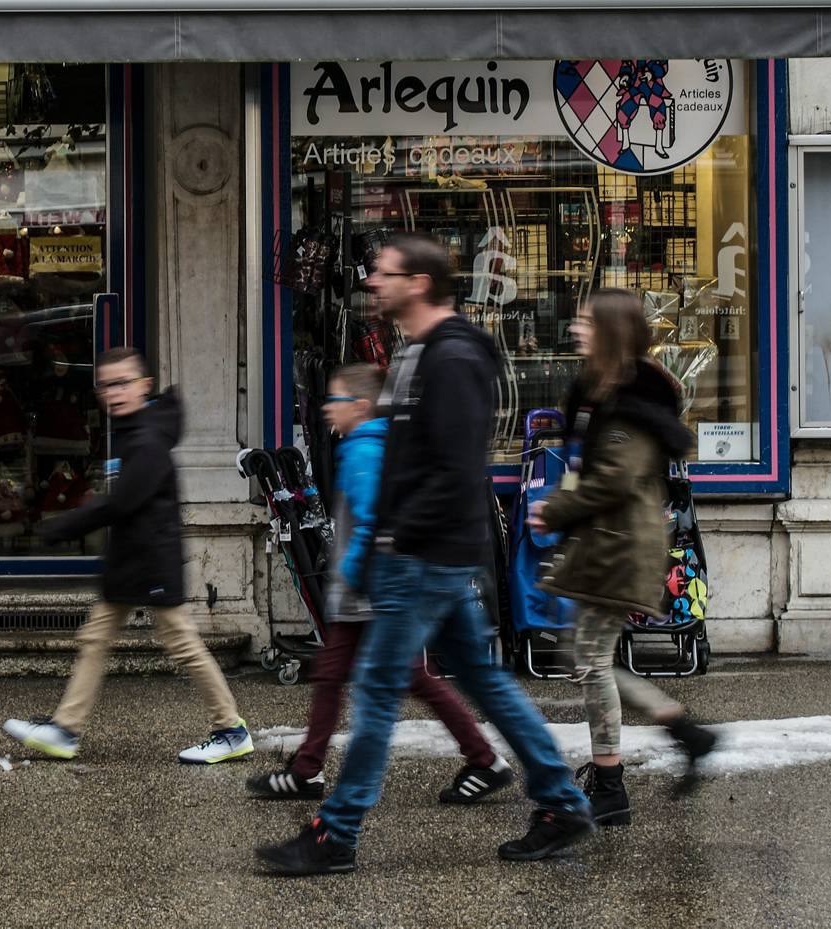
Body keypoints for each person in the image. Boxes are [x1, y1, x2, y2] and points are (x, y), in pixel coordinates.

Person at [256, 233, 591, 877]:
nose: (372, 282)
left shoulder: (453, 357)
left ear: (419, 283)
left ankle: (337, 832)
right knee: (483, 681)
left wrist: (397, 537)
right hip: (425, 548)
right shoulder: (420, 353)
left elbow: (454, 464)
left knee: (380, 686)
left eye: (384, 274)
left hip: (425, 553)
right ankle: (560, 801)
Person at [246, 364, 511, 805]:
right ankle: (309, 769)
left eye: (336, 400)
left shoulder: (365, 451)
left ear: (361, 406)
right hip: (369, 590)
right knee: (351, 675)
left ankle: (482, 759)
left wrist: (348, 572)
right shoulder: (370, 446)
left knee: (385, 677)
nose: (328, 408)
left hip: (368, 592)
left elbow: (370, 522)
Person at [2, 348, 253, 765]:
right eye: (106, 384)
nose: (114, 393)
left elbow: (122, 503)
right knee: (96, 638)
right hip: (131, 557)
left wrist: (61, 527)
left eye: (123, 383)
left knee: (182, 643)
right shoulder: (134, 430)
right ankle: (65, 729)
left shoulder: (147, 438)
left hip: (151, 559)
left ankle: (231, 730)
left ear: (144, 386)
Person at [530, 289, 719, 825]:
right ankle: (682, 732)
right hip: (605, 543)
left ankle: (611, 784)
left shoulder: (634, 402)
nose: (575, 328)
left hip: (621, 547)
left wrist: (556, 509)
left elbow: (613, 479)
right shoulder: (597, 391)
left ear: (612, 330)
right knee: (585, 659)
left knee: (588, 662)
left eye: (587, 321)